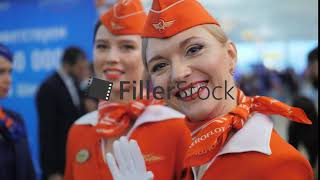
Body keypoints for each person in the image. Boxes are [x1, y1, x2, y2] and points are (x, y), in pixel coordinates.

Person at [135, 0, 313, 179]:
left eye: (194, 49)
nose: (178, 74)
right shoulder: (189, 146)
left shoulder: (279, 166)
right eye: (160, 66)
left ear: (230, 55)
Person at [64, 0, 192, 179]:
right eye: (102, 46)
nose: (111, 58)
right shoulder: (79, 130)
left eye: (127, 47)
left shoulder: (178, 128)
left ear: (150, 58)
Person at [36, 46, 89, 180]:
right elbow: (46, 133)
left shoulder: (78, 82)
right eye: (80, 68)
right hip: (59, 167)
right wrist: (51, 171)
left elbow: (112, 92)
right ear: (67, 65)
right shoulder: (48, 88)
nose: (83, 72)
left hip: (79, 160)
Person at [0, 43, 35, 180]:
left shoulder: (15, 120)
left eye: (10, 72)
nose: (9, 80)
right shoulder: (52, 85)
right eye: (1, 72)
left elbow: (29, 172)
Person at [289, 96, 318, 168]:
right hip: (307, 131)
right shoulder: (294, 126)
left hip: (310, 134)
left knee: (313, 151)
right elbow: (293, 145)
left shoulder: (294, 125)